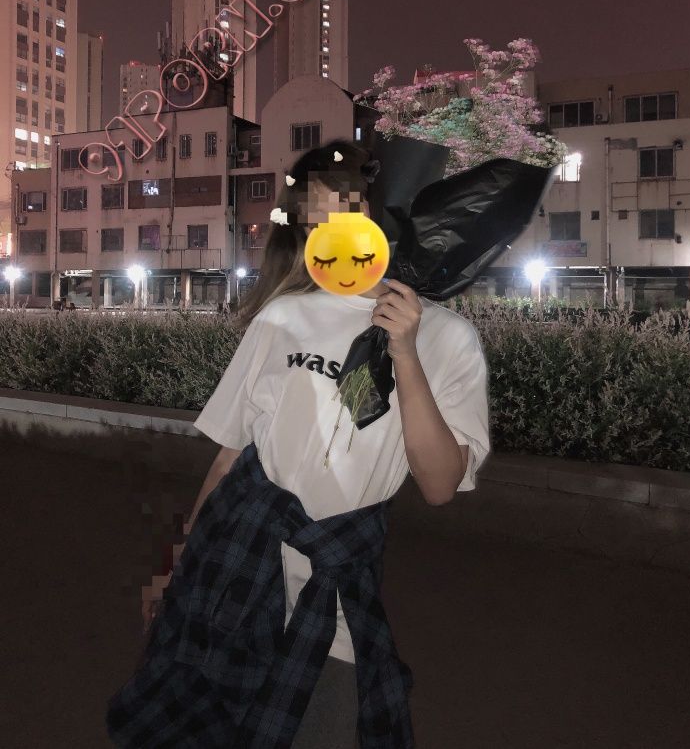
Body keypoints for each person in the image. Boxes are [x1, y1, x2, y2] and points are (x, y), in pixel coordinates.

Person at [140, 139, 491, 747]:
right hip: (236, 563)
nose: (334, 231)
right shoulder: (283, 318)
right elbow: (231, 455)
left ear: (390, 213)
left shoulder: (448, 338)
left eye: (349, 210)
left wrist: (406, 354)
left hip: (335, 585)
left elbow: (439, 486)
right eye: (315, 221)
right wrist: (178, 565)